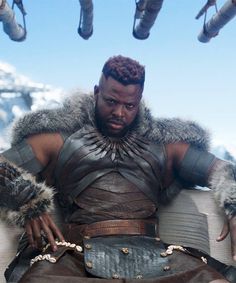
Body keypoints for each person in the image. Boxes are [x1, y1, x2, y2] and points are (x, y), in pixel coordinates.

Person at [0, 55, 236, 283]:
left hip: (158, 258)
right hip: (75, 258)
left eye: (129, 105)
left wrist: (234, 203)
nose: (119, 113)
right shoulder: (57, 140)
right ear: (96, 93)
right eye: (111, 102)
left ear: (139, 100)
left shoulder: (166, 146)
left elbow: (222, 170)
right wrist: (25, 197)